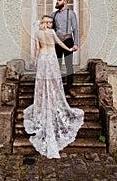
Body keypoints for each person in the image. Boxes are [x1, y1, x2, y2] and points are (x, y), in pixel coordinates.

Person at [23, 15, 84, 159]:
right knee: (53, 82)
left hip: (43, 59)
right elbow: (59, 44)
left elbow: (37, 49)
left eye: (51, 22)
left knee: (44, 82)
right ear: (45, 23)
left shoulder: (37, 34)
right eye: (49, 22)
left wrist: (35, 62)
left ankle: (45, 101)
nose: (51, 24)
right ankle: (51, 100)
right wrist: (69, 48)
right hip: (50, 59)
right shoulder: (51, 33)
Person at [51, 0, 78, 97]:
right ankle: (57, 87)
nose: (57, 2)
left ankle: (70, 87)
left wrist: (76, 43)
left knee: (69, 65)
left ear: (65, 2)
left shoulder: (71, 14)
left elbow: (75, 29)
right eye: (57, 0)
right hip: (57, 42)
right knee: (57, 65)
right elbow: (51, 30)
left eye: (59, 0)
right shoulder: (53, 15)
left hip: (68, 41)